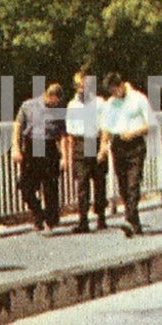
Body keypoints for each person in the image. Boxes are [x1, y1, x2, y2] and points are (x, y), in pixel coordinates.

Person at [99, 72, 152, 237]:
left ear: (121, 85)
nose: (114, 94)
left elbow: (149, 125)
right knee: (122, 184)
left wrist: (133, 133)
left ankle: (129, 219)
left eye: (115, 90)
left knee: (133, 183)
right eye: (111, 92)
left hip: (135, 144)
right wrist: (103, 147)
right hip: (118, 145)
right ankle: (134, 222)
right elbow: (106, 127)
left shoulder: (138, 99)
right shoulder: (110, 103)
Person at [13, 79, 65, 233]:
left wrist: (64, 156)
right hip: (32, 144)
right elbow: (17, 127)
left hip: (49, 146)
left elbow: (63, 134)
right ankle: (38, 212)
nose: (54, 105)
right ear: (48, 96)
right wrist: (16, 148)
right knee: (25, 185)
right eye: (53, 102)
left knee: (50, 187)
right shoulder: (28, 105)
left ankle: (50, 220)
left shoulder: (59, 110)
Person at [64, 71, 107, 234]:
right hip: (80, 144)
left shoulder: (99, 103)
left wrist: (103, 148)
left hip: (95, 141)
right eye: (78, 85)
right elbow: (70, 132)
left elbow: (104, 127)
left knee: (99, 182)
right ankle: (83, 220)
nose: (81, 87)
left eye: (83, 84)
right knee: (82, 184)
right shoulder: (72, 105)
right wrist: (70, 156)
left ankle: (101, 217)